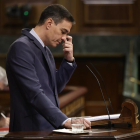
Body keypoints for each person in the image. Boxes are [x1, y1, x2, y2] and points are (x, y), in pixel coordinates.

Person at [6, 4, 91, 132]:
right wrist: (65, 120)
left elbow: (53, 88)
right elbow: (34, 93)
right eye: (63, 32)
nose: (64, 38)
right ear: (49, 23)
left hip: (47, 129)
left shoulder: (46, 50)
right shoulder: (21, 48)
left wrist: (68, 61)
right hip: (29, 131)